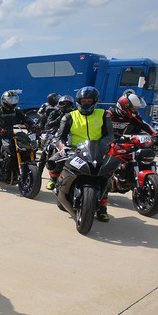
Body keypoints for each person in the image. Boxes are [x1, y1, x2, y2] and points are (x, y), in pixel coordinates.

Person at [51, 86, 114, 221]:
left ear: (94, 101)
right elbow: (60, 137)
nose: (86, 103)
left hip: (97, 151)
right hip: (75, 151)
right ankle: (58, 186)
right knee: (53, 162)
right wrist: (62, 147)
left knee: (107, 176)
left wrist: (103, 144)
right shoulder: (69, 117)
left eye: (89, 101)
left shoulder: (104, 115)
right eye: (83, 101)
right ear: (79, 101)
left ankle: (103, 208)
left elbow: (110, 135)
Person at [39, 94, 75, 185]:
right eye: (63, 103)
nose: (65, 105)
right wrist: (60, 118)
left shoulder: (75, 114)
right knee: (46, 149)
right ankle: (39, 173)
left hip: (71, 135)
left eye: (68, 104)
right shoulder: (54, 112)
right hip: (55, 134)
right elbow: (48, 124)